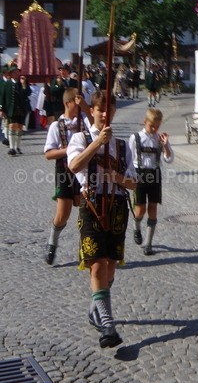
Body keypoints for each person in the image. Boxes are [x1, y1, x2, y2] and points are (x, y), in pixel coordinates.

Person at [67, 90, 137, 349]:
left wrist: (116, 177)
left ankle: (95, 306)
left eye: (110, 109)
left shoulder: (121, 145)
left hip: (117, 205)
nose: (105, 114)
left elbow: (133, 183)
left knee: (109, 266)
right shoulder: (80, 138)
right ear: (93, 111)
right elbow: (74, 167)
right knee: (96, 265)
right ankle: (108, 325)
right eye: (101, 109)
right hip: (92, 204)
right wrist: (96, 144)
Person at [43, 88, 91, 265]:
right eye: (76, 103)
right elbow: (48, 153)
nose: (78, 106)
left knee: (85, 211)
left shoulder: (85, 121)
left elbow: (96, 129)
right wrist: (69, 150)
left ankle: (86, 248)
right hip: (64, 172)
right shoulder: (56, 126)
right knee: (63, 213)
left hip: (83, 171)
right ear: (67, 103)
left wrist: (86, 109)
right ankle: (52, 242)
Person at [129, 107, 174, 256]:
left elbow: (169, 159)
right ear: (145, 122)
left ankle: (148, 243)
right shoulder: (135, 138)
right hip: (140, 174)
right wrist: (129, 176)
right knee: (140, 209)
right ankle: (137, 226)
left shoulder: (159, 139)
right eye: (151, 126)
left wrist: (166, 145)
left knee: (153, 209)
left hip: (154, 174)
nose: (154, 129)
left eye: (157, 126)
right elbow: (129, 160)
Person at [0, 64, 27, 155]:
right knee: (11, 126)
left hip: (21, 108)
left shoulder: (23, 83)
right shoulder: (7, 84)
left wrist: (23, 85)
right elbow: (2, 97)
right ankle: (12, 148)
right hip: (11, 109)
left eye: (17, 72)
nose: (16, 74)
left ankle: (17, 146)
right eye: (14, 72)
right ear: (11, 74)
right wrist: (1, 109)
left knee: (19, 127)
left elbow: (27, 94)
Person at [0, 66, 11, 146]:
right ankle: (6, 137)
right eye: (7, 72)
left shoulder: (11, 81)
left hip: (10, 105)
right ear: (4, 73)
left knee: (10, 122)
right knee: (5, 121)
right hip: (2, 105)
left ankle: (10, 136)